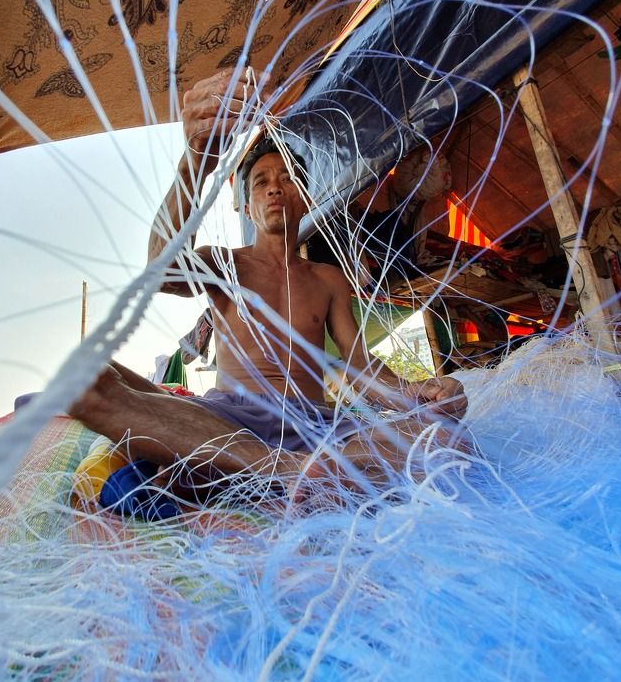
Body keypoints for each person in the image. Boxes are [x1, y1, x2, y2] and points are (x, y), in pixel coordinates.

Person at [70, 69, 469, 500]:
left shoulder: (328, 278)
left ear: (308, 198)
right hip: (227, 422)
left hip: (314, 424)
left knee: (447, 436)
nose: (274, 189)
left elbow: (358, 366)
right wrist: (196, 161)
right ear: (243, 203)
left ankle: (276, 474)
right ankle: (284, 468)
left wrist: (415, 394)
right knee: (85, 377)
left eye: (287, 180)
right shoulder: (223, 263)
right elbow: (161, 273)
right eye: (260, 182)